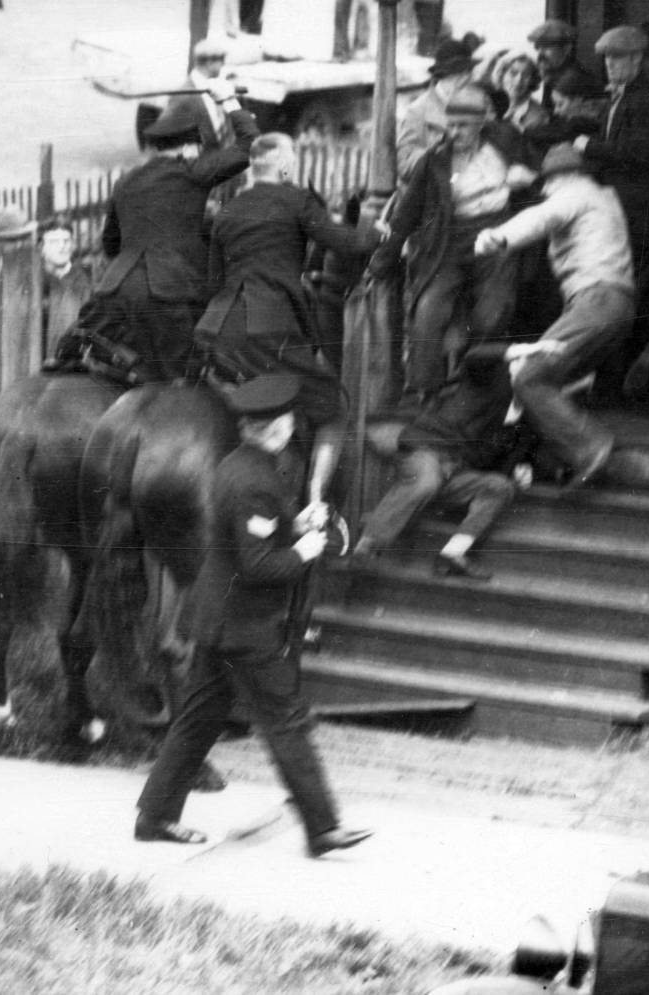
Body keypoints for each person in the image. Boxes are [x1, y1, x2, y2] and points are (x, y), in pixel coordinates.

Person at [134, 374, 371, 859]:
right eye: (286, 418)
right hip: (245, 627)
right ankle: (323, 828)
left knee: (198, 721)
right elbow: (258, 565)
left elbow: (252, 539)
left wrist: (292, 525)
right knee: (284, 720)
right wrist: (304, 550)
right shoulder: (256, 480)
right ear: (277, 426)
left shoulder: (242, 466)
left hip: (218, 620)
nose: (290, 424)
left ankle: (154, 816)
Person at [196, 132, 380, 512]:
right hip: (269, 329)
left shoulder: (228, 211)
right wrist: (379, 233)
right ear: (282, 165)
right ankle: (314, 504)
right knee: (332, 407)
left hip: (218, 329)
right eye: (292, 157)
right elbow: (347, 243)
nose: (294, 164)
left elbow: (213, 281)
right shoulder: (296, 200)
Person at [475, 143, 636, 490]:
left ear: (559, 178)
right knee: (553, 379)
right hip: (612, 302)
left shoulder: (575, 194)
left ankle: (590, 447)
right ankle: (556, 462)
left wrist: (498, 236)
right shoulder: (603, 196)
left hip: (596, 299)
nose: (545, 191)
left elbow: (541, 217)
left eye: (547, 184)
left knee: (529, 376)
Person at [372, 84, 535, 402]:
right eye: (451, 125)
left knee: (492, 314)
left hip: (496, 236)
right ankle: (427, 391)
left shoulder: (505, 141)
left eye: (463, 126)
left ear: (481, 123)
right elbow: (405, 215)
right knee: (429, 309)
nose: (455, 132)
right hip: (450, 240)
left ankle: (475, 387)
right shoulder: (435, 160)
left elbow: (536, 171)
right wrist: (381, 259)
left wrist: (525, 174)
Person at [88, 82, 257, 383]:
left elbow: (110, 243)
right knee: (185, 384)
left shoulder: (125, 182)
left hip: (116, 291)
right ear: (190, 147)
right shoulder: (192, 171)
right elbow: (249, 146)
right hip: (167, 294)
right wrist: (229, 100)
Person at [352, 345, 529, 579]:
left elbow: (499, 462)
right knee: (426, 481)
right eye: (521, 364)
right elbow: (473, 356)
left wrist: (520, 472)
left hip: (455, 470)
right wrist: (520, 350)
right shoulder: (489, 380)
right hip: (428, 450)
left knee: (499, 487)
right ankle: (367, 546)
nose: (525, 372)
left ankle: (452, 555)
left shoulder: (522, 418)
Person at [572, 25, 649, 396]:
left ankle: (628, 385)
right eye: (606, 59)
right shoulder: (620, 98)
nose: (610, 66)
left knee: (633, 294)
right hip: (624, 212)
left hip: (644, 215)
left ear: (637, 59)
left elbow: (642, 153)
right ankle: (614, 382)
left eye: (617, 58)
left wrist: (588, 146)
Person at [396, 38, 479, 183]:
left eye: (468, 72)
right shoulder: (417, 111)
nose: (467, 79)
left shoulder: (471, 105)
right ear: (444, 74)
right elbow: (404, 166)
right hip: (428, 197)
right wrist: (435, 155)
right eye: (460, 73)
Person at [37, 217, 93, 349]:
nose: (62, 247)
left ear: (73, 245)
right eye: (54, 242)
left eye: (66, 241)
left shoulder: (85, 279)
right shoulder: (35, 281)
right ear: (41, 248)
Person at [527, 19, 592, 113]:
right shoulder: (554, 73)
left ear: (566, 48)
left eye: (546, 47)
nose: (540, 53)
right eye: (537, 47)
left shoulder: (572, 78)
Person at [493, 51, 549, 136]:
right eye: (513, 73)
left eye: (526, 75)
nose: (518, 80)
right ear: (502, 74)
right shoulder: (487, 102)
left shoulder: (539, 116)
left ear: (533, 80)